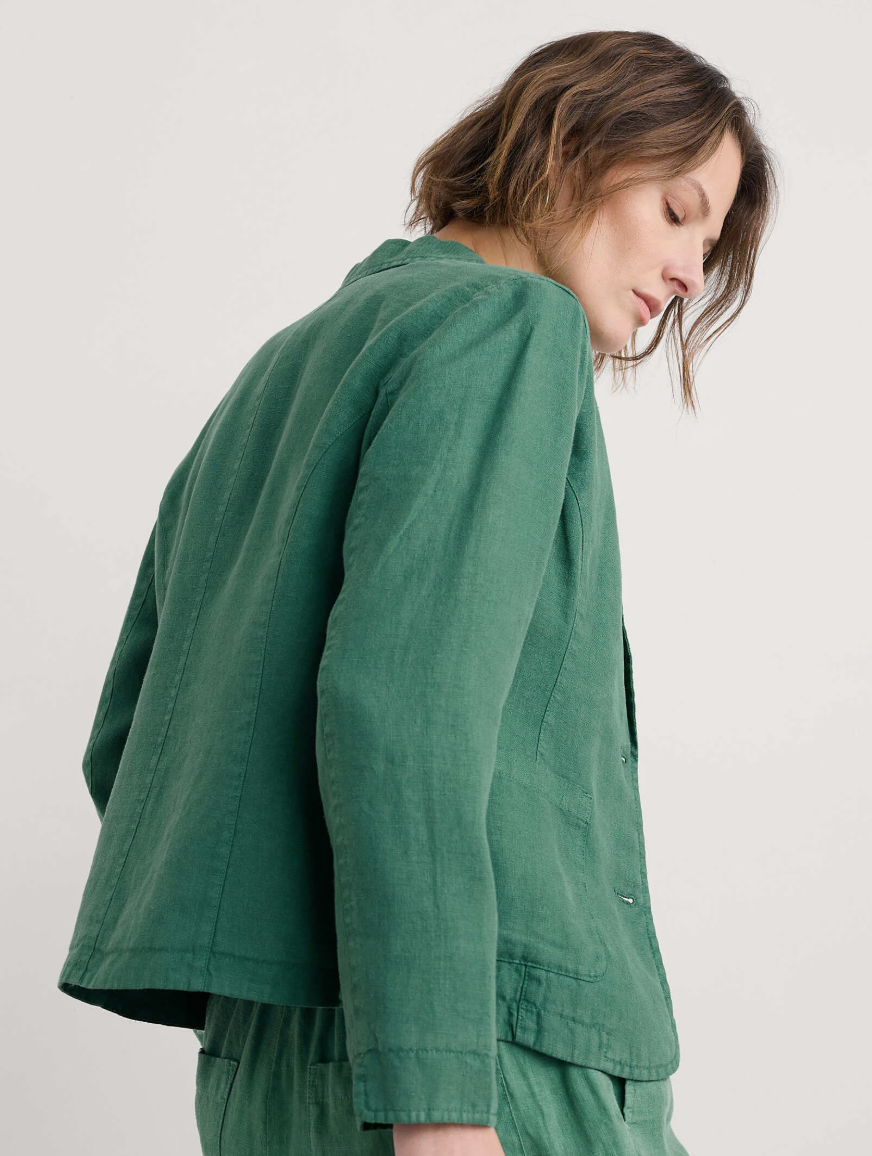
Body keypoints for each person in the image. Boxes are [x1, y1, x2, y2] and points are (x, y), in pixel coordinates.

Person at [56, 28, 778, 1156]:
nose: (691, 270)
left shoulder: (289, 362)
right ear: (569, 145)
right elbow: (407, 709)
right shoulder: (508, 323)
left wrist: (301, 959)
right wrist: (439, 1097)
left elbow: (131, 740)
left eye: (710, 243)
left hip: (262, 1075)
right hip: (482, 1055)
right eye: (678, 211)